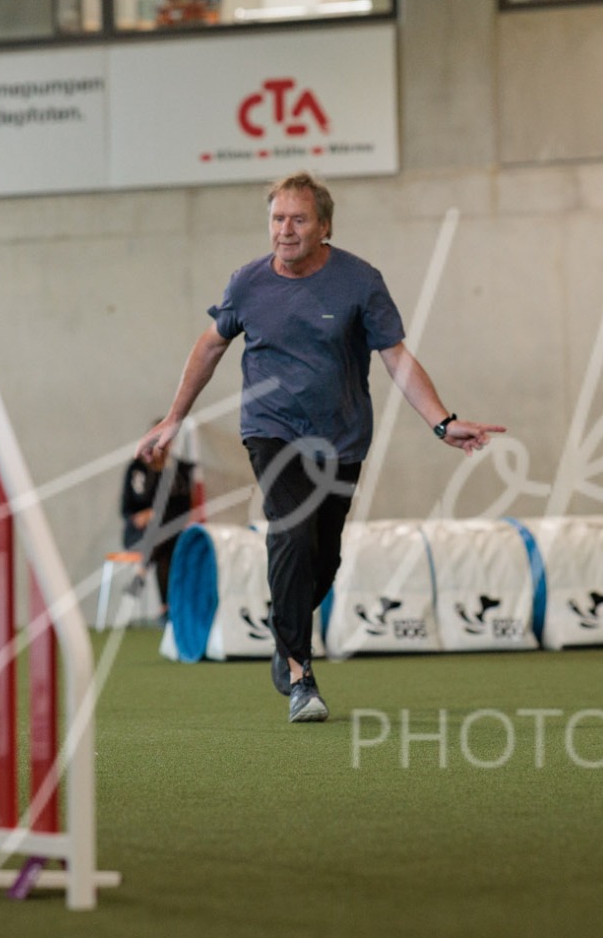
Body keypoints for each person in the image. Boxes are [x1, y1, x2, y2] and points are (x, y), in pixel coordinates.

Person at [137, 172, 503, 724]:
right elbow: (210, 346)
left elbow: (396, 358)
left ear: (324, 226)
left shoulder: (359, 282)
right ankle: (299, 672)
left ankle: (284, 628)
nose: (285, 230)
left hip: (341, 438)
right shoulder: (247, 284)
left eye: (299, 219)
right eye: (277, 219)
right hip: (272, 431)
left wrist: (441, 422)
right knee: (291, 530)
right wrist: (174, 417)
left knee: (322, 559)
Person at [119, 434, 196, 612]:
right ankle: (165, 609)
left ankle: (140, 575)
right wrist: (141, 517)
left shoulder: (179, 470)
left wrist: (155, 515)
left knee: (165, 532)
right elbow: (125, 509)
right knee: (165, 540)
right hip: (138, 535)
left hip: (168, 534)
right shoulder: (137, 469)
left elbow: (184, 510)